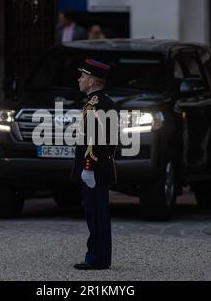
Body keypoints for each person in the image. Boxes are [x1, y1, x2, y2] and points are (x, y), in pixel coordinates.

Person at [70, 59, 118, 270]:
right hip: (103, 166)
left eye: (82, 76)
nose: (79, 80)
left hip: (94, 169)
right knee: (100, 214)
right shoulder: (107, 102)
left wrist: (87, 167)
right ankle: (101, 257)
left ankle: (95, 258)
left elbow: (93, 139)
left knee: (95, 214)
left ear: (90, 81)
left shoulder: (93, 104)